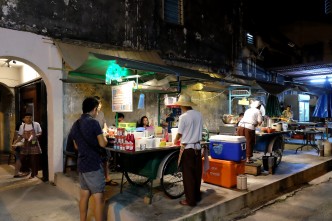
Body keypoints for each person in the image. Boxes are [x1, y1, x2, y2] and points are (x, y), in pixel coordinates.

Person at [69, 97, 108, 221]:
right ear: (95, 109)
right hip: (93, 165)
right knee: (99, 198)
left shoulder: (76, 123)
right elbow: (102, 144)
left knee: (84, 195)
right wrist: (105, 137)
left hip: (82, 164)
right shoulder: (93, 123)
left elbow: (76, 145)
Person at [173, 93, 203, 207]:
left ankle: (190, 200)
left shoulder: (183, 117)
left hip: (188, 149)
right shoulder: (199, 114)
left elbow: (179, 133)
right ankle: (196, 196)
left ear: (182, 105)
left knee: (188, 176)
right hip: (197, 148)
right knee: (196, 174)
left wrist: (174, 141)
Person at [93, 96, 117, 186]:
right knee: (98, 160)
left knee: (106, 158)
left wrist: (105, 130)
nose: (100, 105)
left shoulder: (101, 114)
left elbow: (105, 125)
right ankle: (99, 179)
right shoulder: (92, 114)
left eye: (100, 103)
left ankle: (107, 178)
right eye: (98, 103)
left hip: (103, 138)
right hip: (95, 140)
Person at [14, 112, 42, 179]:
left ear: (32, 118)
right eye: (27, 117)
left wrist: (35, 136)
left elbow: (40, 132)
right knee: (21, 157)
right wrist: (15, 143)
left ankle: (33, 174)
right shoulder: (22, 126)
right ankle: (27, 170)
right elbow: (20, 136)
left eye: (30, 117)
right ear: (24, 119)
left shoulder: (36, 124)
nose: (29, 119)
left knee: (33, 159)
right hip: (25, 143)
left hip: (33, 142)